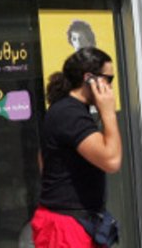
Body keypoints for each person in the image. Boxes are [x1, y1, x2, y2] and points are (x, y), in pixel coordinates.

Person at [32, 47, 122, 248]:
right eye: (108, 79)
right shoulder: (69, 113)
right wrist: (108, 112)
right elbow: (112, 160)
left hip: (74, 220)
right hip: (65, 226)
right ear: (89, 79)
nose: (110, 87)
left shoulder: (66, 109)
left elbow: (43, 157)